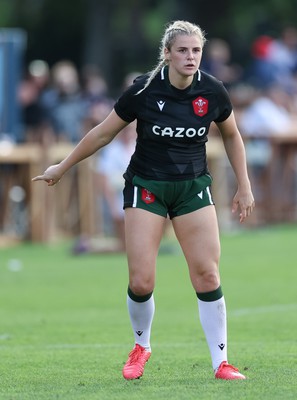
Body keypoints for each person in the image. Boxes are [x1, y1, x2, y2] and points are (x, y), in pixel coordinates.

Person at [32, 20, 255, 381]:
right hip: (146, 187)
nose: (190, 57)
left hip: (192, 189)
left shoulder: (213, 92)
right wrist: (63, 165)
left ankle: (221, 363)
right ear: (167, 54)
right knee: (141, 282)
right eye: (182, 50)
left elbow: (232, 135)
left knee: (207, 273)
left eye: (196, 50)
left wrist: (244, 185)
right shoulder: (144, 91)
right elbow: (103, 133)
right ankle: (141, 346)